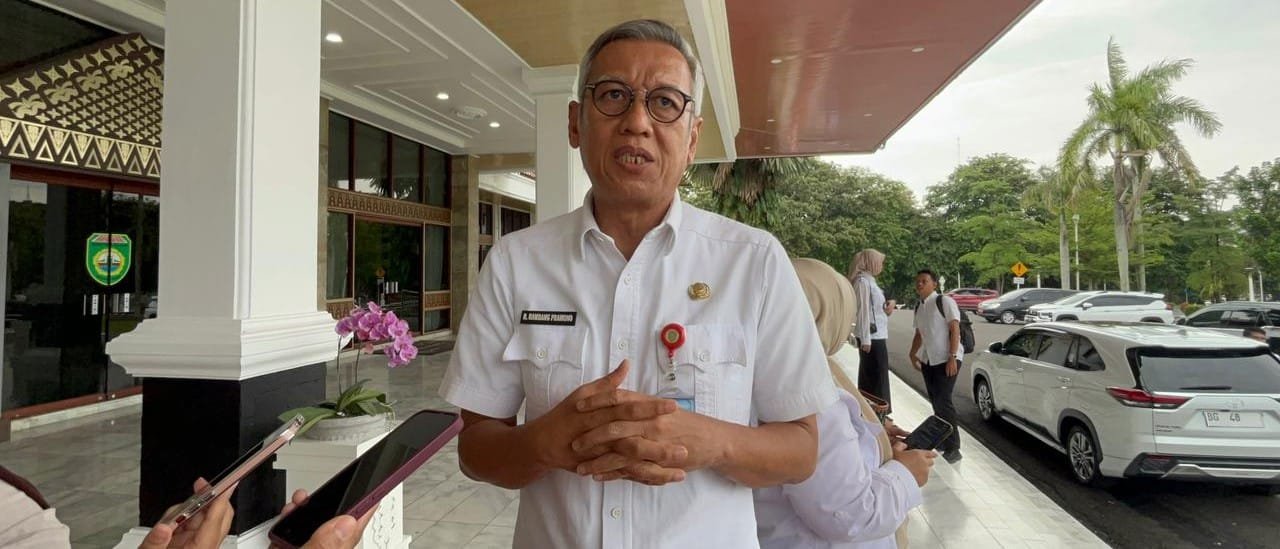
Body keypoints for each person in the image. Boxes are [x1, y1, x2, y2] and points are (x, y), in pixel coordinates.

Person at [438, 18, 837, 548]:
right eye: (613, 95)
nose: (637, 122)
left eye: (665, 102)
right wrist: (545, 443)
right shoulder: (516, 263)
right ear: (576, 123)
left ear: (692, 138)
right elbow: (476, 449)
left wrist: (714, 441)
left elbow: (801, 451)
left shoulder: (754, 262)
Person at [755, 259, 934, 549]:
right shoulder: (806, 394)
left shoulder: (759, 372)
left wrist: (870, 438)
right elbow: (849, 515)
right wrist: (906, 474)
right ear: (828, 314)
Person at [909, 270, 963, 463]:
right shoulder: (919, 306)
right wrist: (912, 353)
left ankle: (954, 448)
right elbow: (919, 334)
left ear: (934, 284)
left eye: (924, 281)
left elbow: (955, 329)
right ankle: (942, 439)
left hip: (947, 358)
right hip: (928, 360)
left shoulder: (944, 301)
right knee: (936, 401)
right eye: (918, 281)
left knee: (944, 401)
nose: (920, 284)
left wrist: (952, 357)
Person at [850, 249, 893, 406]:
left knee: (876, 376)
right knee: (876, 378)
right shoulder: (862, 282)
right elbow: (862, 311)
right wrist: (865, 338)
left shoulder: (870, 281)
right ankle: (877, 411)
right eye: (879, 262)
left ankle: (875, 411)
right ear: (871, 263)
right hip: (872, 338)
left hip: (877, 335)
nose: (881, 266)